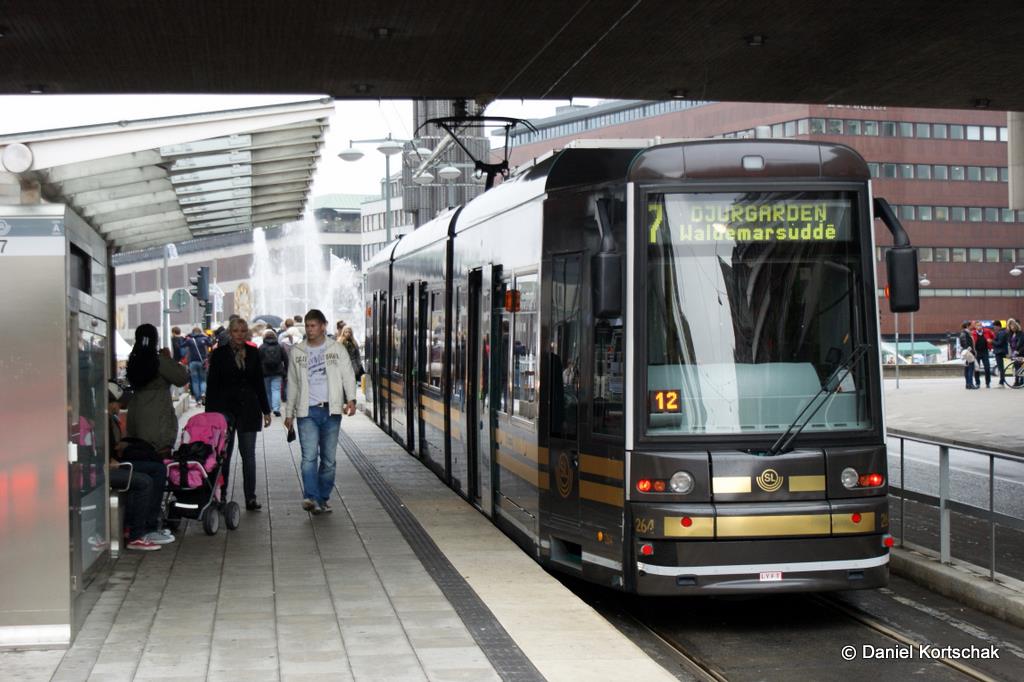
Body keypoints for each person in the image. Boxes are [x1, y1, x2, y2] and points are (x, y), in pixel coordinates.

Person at [284, 309, 357, 514]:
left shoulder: (336, 349)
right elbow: (293, 383)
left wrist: (351, 399)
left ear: (323, 326)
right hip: (306, 412)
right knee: (309, 457)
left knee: (328, 460)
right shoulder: (297, 352)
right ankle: (310, 497)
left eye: (313, 326)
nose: (309, 329)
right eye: (307, 326)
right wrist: (289, 413)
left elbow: (348, 375)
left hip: (331, 411)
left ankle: (322, 497)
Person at [205, 317, 272, 511]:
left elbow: (259, 382)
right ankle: (221, 495)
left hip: (249, 410)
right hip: (224, 411)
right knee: (224, 456)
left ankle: (250, 497)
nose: (240, 335)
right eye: (236, 331)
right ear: (230, 333)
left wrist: (266, 410)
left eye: (243, 331)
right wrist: (210, 414)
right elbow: (212, 385)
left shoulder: (253, 352)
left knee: (248, 456)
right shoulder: (219, 354)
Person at [108, 382, 173, 549]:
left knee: (158, 468)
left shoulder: (111, 419)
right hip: (109, 467)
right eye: (117, 403)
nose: (120, 407)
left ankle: (148, 526)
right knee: (145, 480)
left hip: (117, 462)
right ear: (109, 403)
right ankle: (138, 533)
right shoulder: (102, 421)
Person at [126, 323, 188, 452]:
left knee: (140, 456)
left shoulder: (133, 360)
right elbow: (182, 378)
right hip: (158, 420)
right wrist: (168, 358)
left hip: (136, 417)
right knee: (158, 458)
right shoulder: (159, 361)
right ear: (155, 340)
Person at [259, 329, 287, 416]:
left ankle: (269, 408)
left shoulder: (262, 347)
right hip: (277, 372)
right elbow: (285, 359)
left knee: (267, 391)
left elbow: (257, 360)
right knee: (276, 390)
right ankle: (276, 409)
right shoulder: (279, 347)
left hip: (265, 372)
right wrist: (286, 370)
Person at [183, 326, 210, 406]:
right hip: (202, 362)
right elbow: (210, 345)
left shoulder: (190, 340)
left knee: (195, 381)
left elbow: (182, 346)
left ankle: (198, 400)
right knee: (203, 380)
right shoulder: (204, 339)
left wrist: (186, 336)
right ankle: (203, 393)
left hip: (192, 362)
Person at [972, 321, 992, 388]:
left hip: (985, 352)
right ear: (975, 327)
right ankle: (977, 383)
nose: (979, 327)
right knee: (977, 368)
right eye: (977, 325)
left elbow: (993, 337)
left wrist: (991, 344)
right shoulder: (973, 333)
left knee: (987, 367)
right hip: (977, 352)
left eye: (980, 325)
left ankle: (988, 383)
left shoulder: (987, 331)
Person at [957, 322, 977, 390]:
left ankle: (968, 384)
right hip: (968, 353)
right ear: (968, 326)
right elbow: (967, 344)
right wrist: (972, 352)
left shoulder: (964, 333)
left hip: (965, 352)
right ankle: (970, 384)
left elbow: (963, 344)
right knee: (970, 368)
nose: (972, 326)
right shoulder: (966, 334)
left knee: (967, 368)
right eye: (971, 325)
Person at [992, 320, 1009, 387]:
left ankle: (1001, 382)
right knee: (1001, 367)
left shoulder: (1001, 333)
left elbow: (999, 343)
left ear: (998, 326)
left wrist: (992, 341)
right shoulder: (1002, 332)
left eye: (994, 327)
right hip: (1001, 351)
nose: (994, 328)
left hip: (1000, 352)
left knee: (1000, 368)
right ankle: (1001, 382)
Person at [1008, 318, 1024, 388]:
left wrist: (1018, 351)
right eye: (1011, 327)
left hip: (1020, 353)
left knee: (1020, 367)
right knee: (1017, 367)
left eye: (1014, 326)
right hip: (1014, 353)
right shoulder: (1011, 334)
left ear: (1016, 327)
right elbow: (1010, 344)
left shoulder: (1021, 334)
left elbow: (1022, 344)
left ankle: (1019, 382)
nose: (1012, 328)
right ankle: (1018, 381)